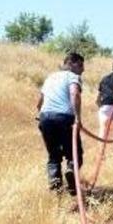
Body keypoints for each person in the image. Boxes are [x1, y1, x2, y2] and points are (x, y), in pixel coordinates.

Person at [36, 52, 84, 194]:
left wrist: (40, 116)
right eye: (80, 65)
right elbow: (74, 94)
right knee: (75, 153)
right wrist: (78, 118)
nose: (83, 69)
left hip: (45, 118)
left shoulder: (50, 77)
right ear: (71, 63)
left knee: (53, 155)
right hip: (64, 118)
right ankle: (71, 173)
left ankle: (55, 187)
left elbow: (40, 101)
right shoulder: (73, 77)